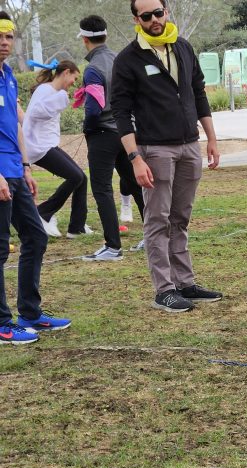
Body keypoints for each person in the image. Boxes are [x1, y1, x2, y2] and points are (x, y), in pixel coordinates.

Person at [111, 0, 223, 311]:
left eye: (158, 13)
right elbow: (120, 111)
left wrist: (212, 139)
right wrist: (135, 158)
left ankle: (185, 283)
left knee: (180, 218)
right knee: (157, 219)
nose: (154, 20)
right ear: (137, 19)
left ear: (166, 12)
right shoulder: (128, 59)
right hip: (154, 149)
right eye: (146, 16)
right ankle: (164, 289)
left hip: (189, 145)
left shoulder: (183, 47)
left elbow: (198, 93)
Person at [0, 12, 71, 344]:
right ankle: (2, 323)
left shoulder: (9, 76)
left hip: (16, 170)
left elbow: (16, 125)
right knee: (1, 248)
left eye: (8, 36)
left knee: (35, 237)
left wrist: (26, 166)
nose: (4, 42)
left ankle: (29, 313)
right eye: (0, 36)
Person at [79, 15, 146, 262]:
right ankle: (154, 235)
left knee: (102, 189)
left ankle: (112, 246)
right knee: (136, 185)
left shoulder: (93, 69)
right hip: (127, 131)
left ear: (84, 39)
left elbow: (94, 108)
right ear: (105, 35)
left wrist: (88, 129)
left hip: (102, 134)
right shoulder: (120, 60)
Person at [23, 60, 91, 240]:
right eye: (74, 78)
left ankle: (77, 227)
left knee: (82, 178)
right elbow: (36, 113)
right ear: (66, 72)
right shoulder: (46, 90)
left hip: (47, 145)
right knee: (75, 177)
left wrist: (62, 98)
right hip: (38, 147)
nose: (73, 83)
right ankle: (43, 213)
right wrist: (61, 99)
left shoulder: (51, 91)